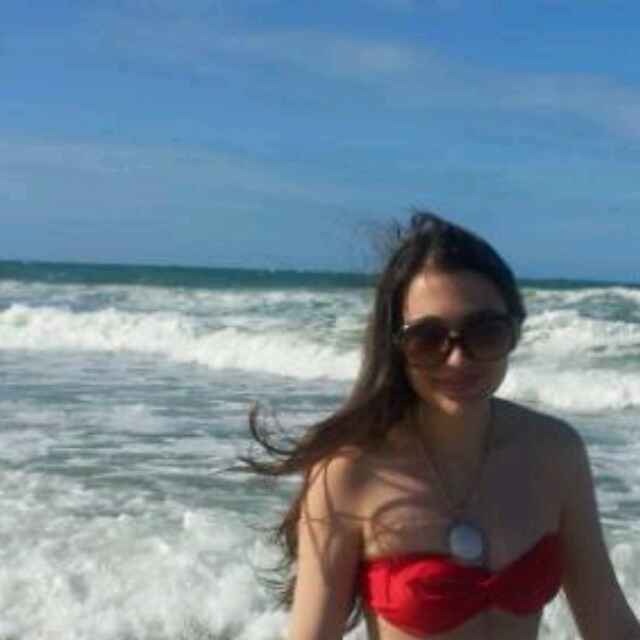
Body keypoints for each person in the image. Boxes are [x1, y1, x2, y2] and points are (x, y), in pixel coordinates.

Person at [246, 212, 640, 639]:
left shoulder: (555, 452)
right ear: (396, 346)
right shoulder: (349, 470)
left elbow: (609, 624)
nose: (458, 359)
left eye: (485, 332)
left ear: (515, 330)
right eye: (428, 339)